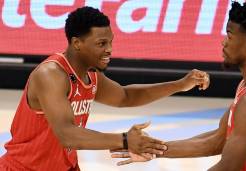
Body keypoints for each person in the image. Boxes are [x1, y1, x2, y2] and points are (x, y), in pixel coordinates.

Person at [0, 6, 210, 171]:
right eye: (101, 43)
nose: (109, 49)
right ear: (77, 43)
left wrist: (181, 84)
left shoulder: (90, 75)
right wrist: (125, 140)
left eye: (110, 42)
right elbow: (67, 134)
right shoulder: (51, 75)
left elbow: (126, 96)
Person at [112, 1, 246, 171]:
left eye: (229, 35)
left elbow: (227, 167)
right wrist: (154, 149)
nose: (224, 41)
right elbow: (218, 140)